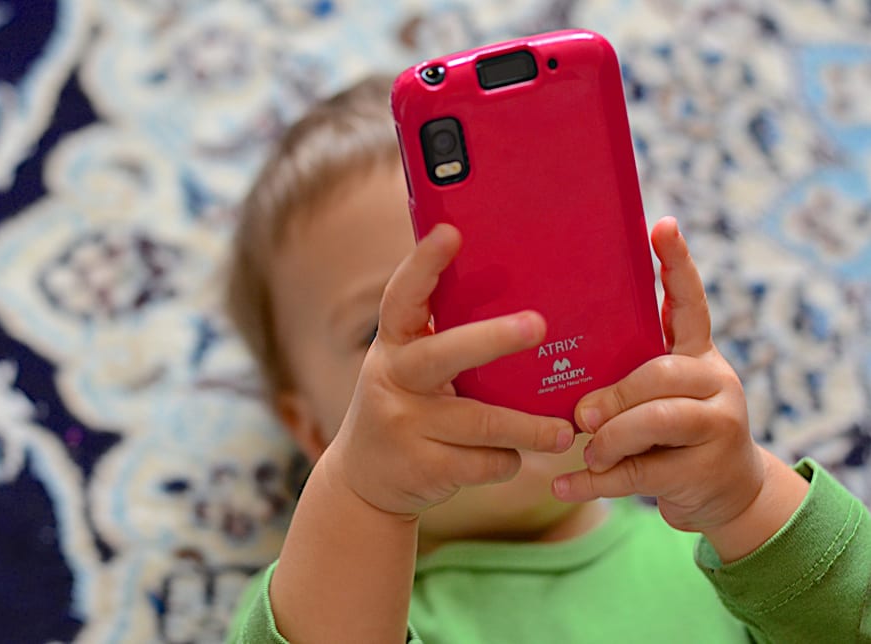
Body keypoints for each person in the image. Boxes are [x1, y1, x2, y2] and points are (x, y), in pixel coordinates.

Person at [224, 76, 871, 643]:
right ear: (312, 428)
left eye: (496, 296)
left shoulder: (732, 559)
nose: (470, 348)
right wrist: (361, 498)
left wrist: (746, 498)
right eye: (377, 330)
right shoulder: (317, 605)